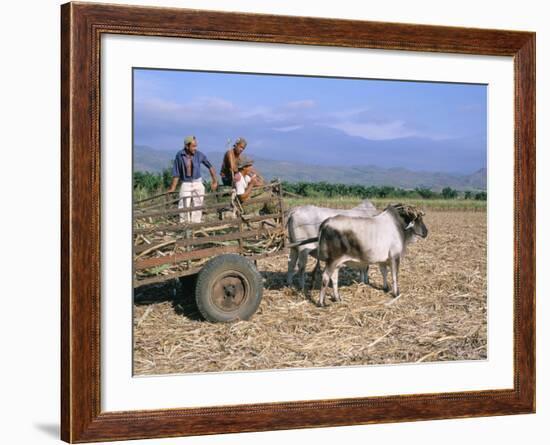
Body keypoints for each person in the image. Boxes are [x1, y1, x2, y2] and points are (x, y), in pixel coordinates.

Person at [167, 136, 218, 223]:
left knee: (198, 204)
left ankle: (195, 224)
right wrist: (173, 187)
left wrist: (214, 181)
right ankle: (185, 225)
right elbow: (176, 173)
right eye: (193, 146)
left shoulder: (199, 155)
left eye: (196, 146)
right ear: (187, 146)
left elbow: (210, 167)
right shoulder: (179, 155)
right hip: (186, 183)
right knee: (183, 204)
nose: (195, 148)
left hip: (197, 182)